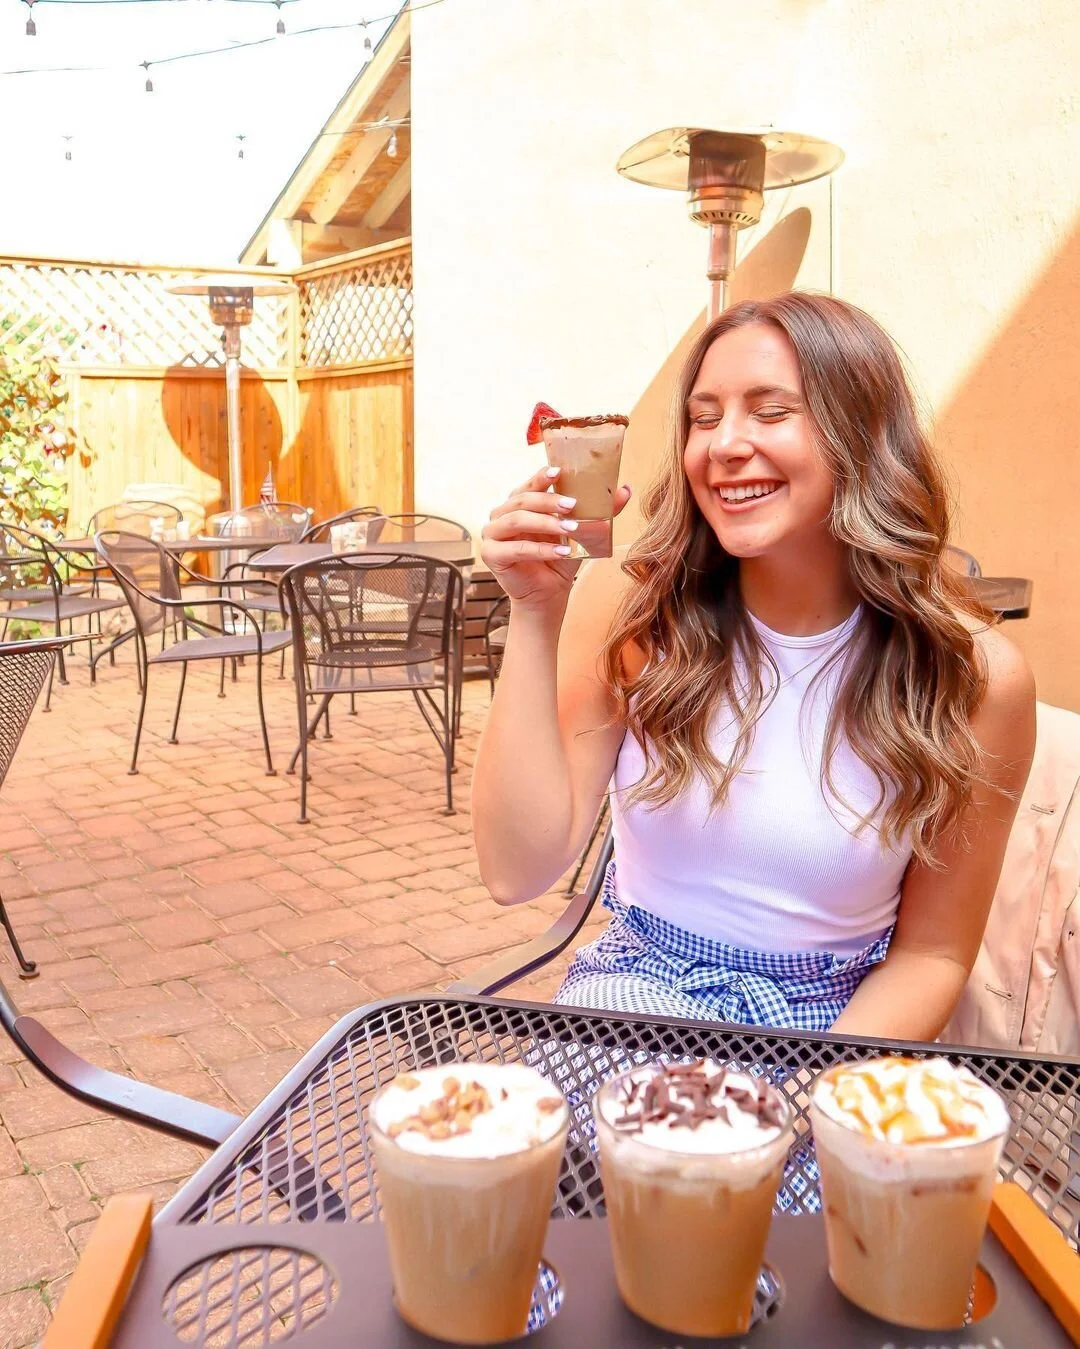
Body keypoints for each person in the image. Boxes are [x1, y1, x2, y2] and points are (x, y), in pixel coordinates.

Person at [472, 292, 1036, 1039]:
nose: (724, 444)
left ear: (862, 434)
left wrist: (803, 1106)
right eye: (704, 417)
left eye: (770, 411)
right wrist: (535, 615)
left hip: (838, 1037)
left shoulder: (975, 678)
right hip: (633, 1004)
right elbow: (517, 870)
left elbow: (931, 954)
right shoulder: (633, 610)